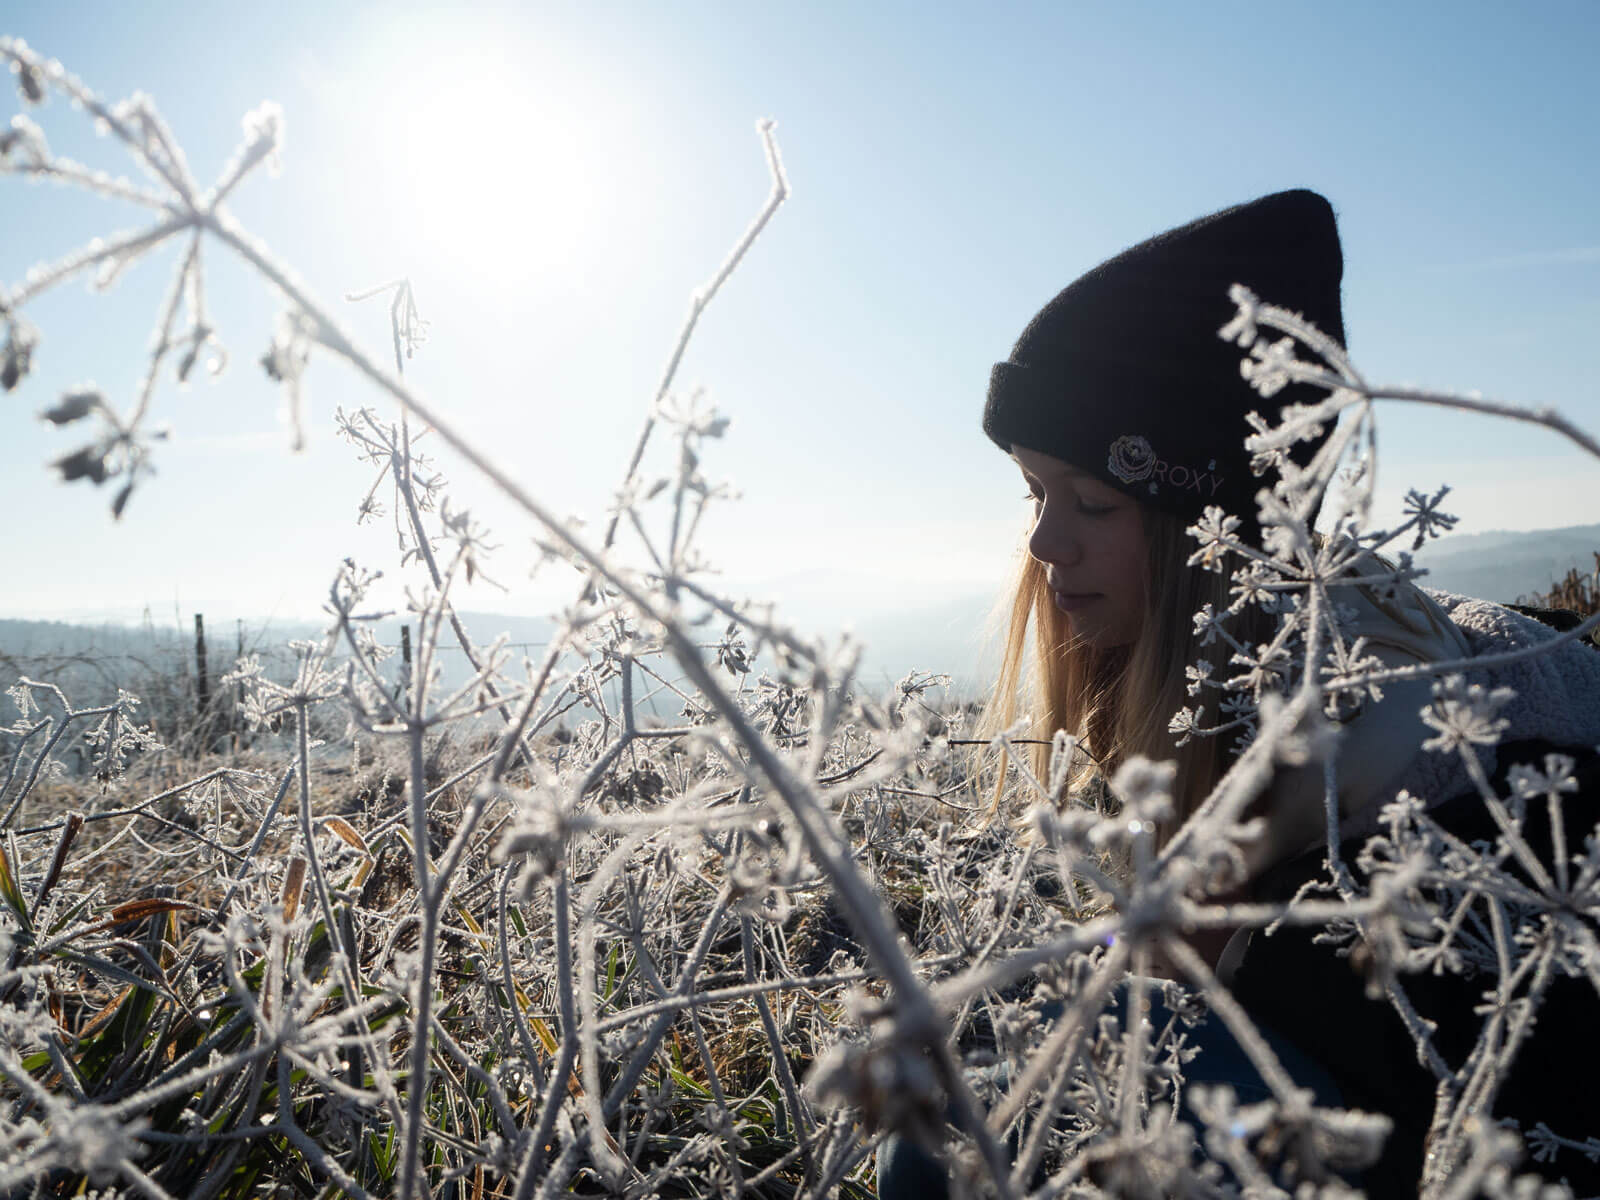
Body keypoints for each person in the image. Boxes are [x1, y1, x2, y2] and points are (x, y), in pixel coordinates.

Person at [879, 191, 1600, 1197]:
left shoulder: (1395, 742)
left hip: (1459, 1114)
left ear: (1207, 540)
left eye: (1092, 501)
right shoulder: (1194, 673)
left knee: (959, 1117)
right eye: (1032, 493)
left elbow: (1490, 1087)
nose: (1044, 544)